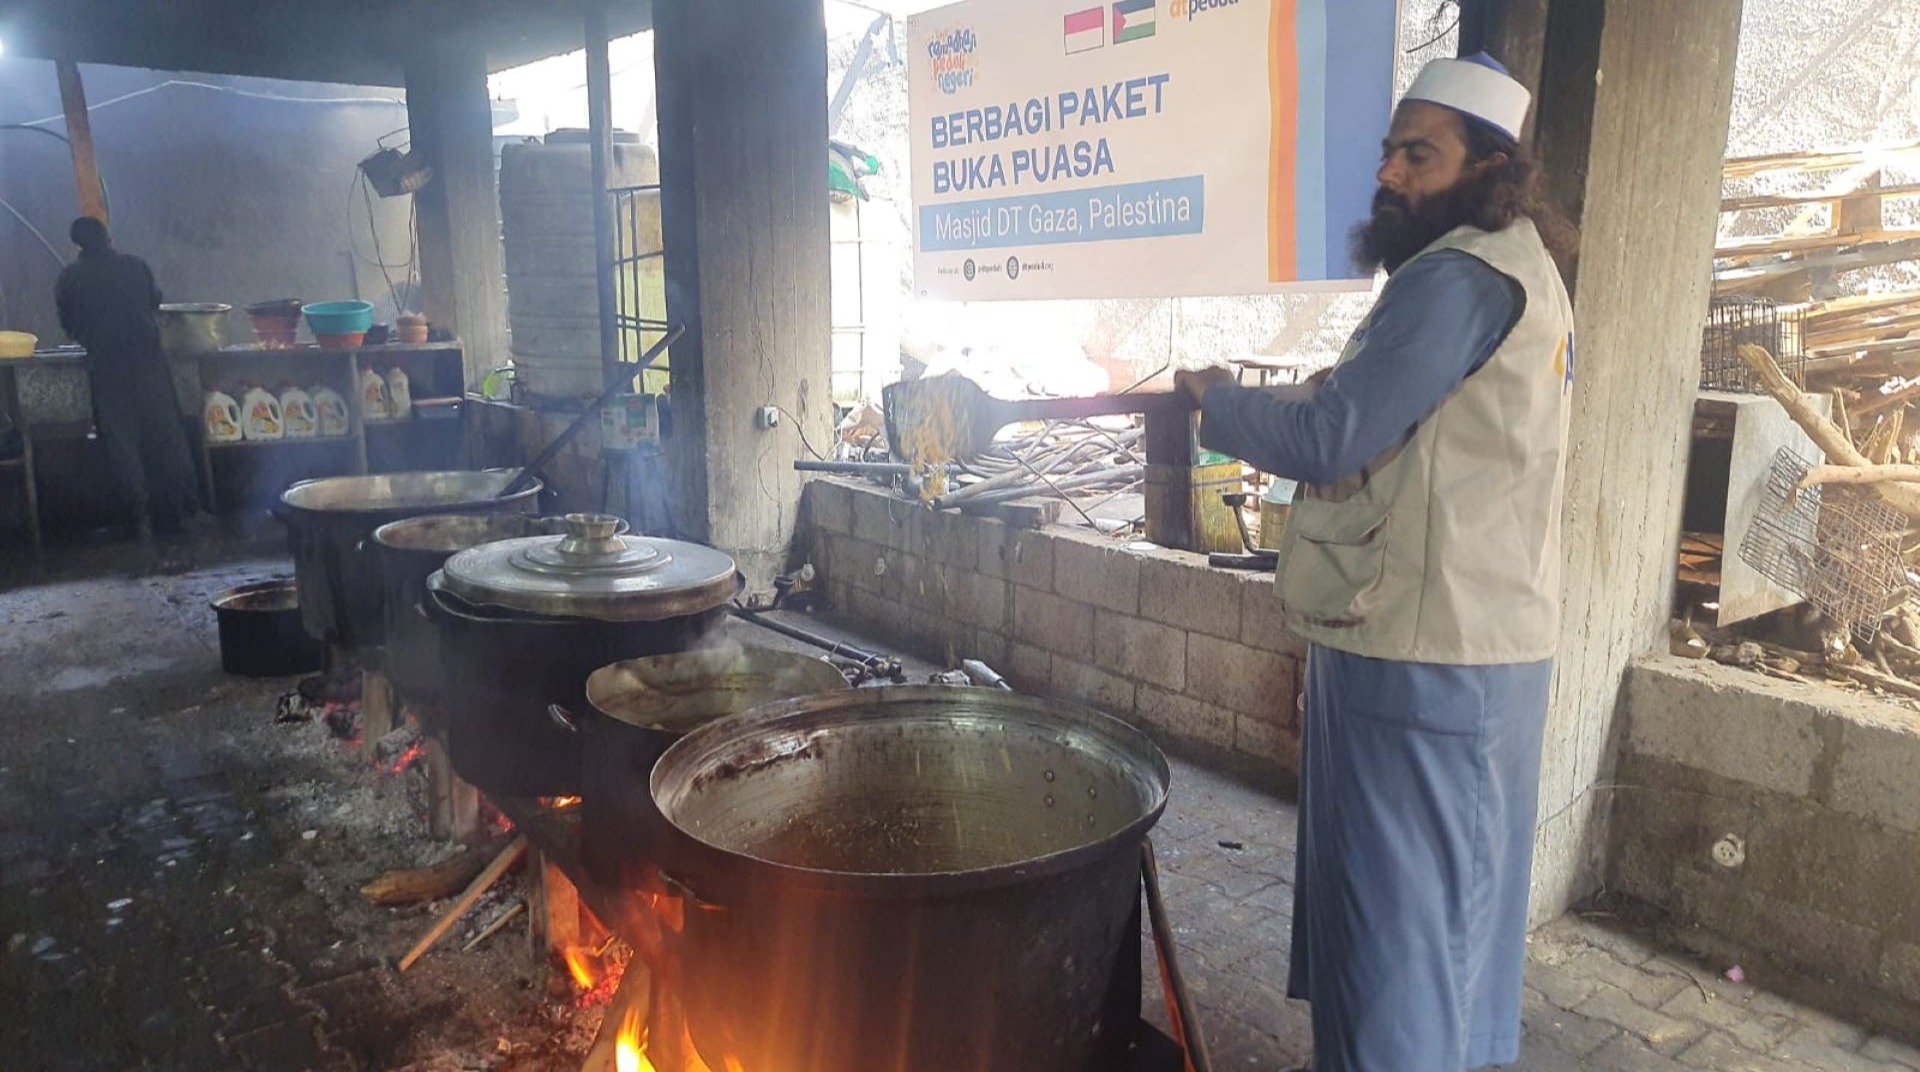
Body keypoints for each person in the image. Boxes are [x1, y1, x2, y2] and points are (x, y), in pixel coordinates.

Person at [1174, 53, 1578, 1072]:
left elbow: (1333, 436)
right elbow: (1370, 403)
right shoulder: (1501, 267)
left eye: (1418, 154)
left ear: (1489, 167)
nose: (1390, 173)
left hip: (1426, 658)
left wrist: (1218, 404)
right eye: (1391, 151)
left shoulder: (1461, 277)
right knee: (1443, 931)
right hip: (1446, 643)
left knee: (1399, 938)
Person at [55, 216, 202, 538]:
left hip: (107, 367)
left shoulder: (70, 278)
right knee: (166, 435)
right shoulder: (135, 266)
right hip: (148, 362)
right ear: (108, 237)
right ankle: (182, 513)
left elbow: (68, 322)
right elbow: (154, 300)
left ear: (77, 245)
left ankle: (139, 519)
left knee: (122, 444)